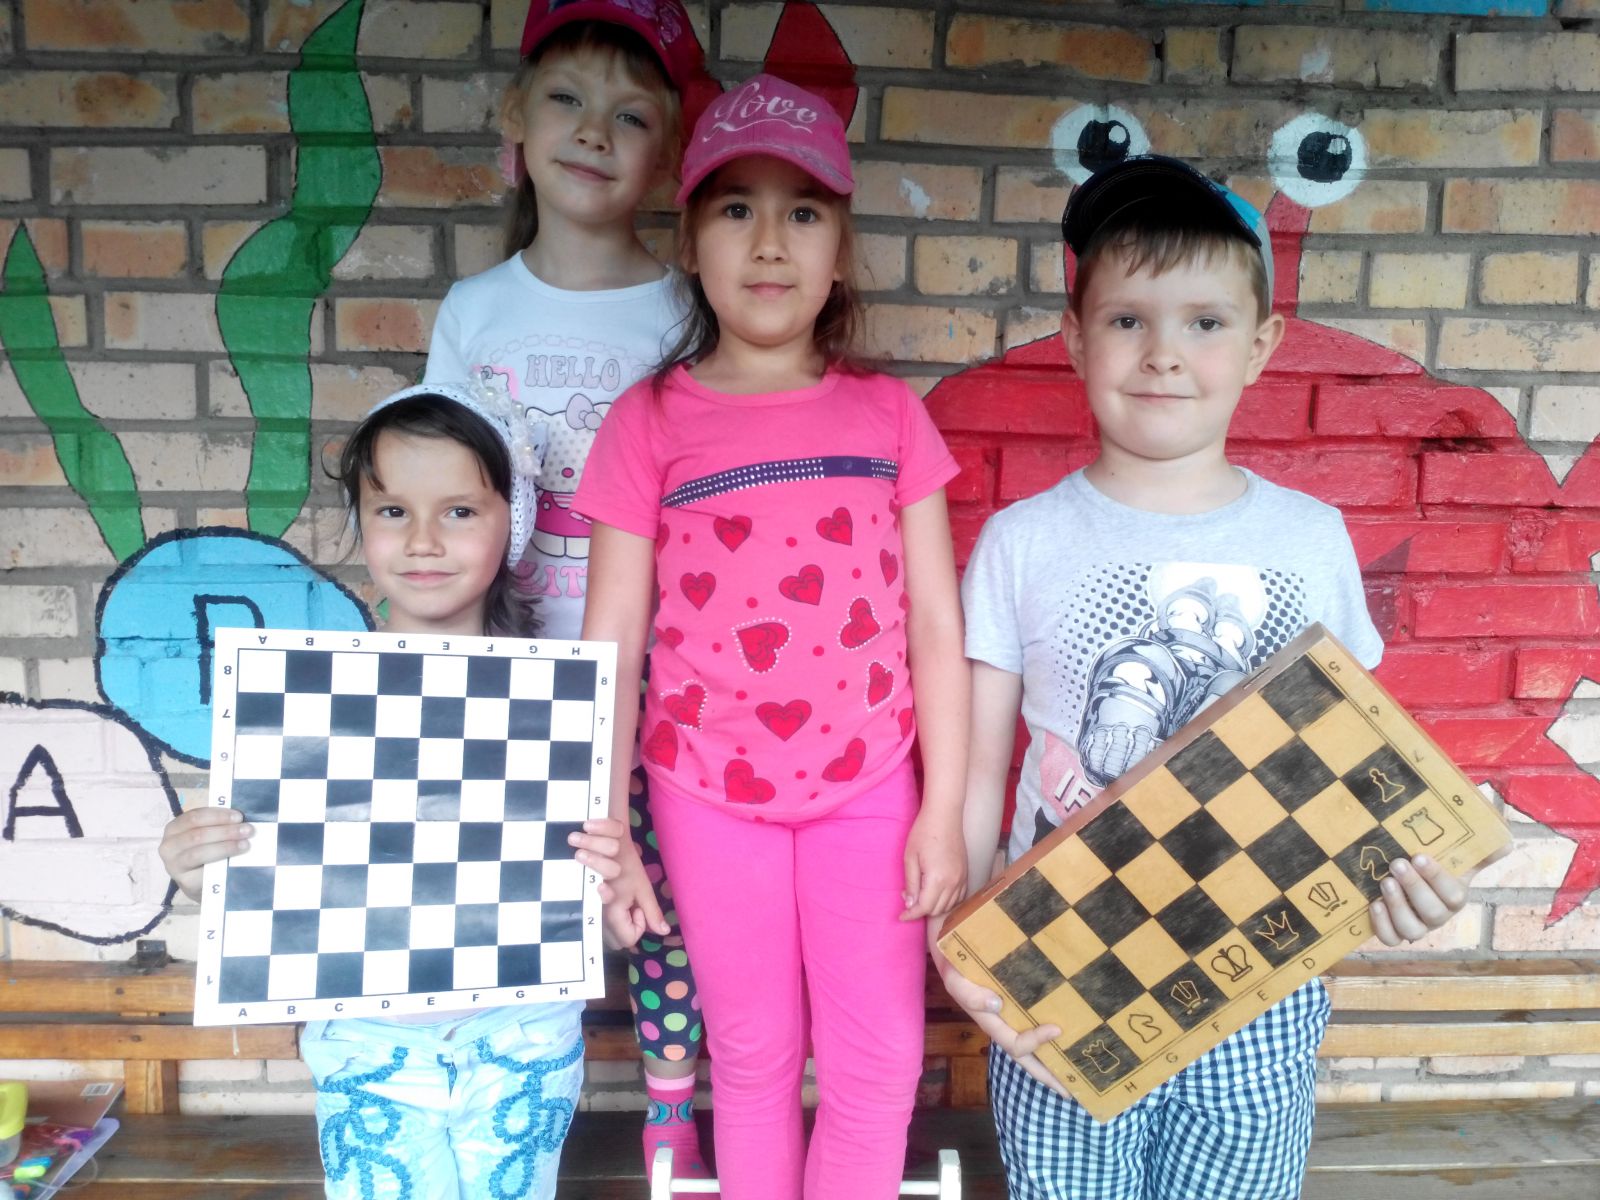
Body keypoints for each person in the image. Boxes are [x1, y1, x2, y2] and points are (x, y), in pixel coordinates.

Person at [940, 155, 1502, 1200]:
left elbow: (1359, 760)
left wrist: (1410, 877)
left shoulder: (1310, 538)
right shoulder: (1022, 541)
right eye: (1127, 320)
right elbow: (976, 777)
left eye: (1204, 321)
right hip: (1066, 971)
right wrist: (965, 944)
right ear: (1074, 337)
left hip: (1263, 984)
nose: (1163, 353)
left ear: (1260, 346)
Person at [575, 74, 970, 1200]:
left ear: (840, 249)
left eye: (803, 211)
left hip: (871, 787)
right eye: (735, 207)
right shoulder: (648, 420)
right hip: (705, 794)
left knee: (877, 1067)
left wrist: (942, 809)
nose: (768, 241)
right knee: (751, 1062)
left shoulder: (889, 414)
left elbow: (936, 628)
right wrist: (610, 827)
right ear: (690, 240)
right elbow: (612, 644)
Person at [158, 383, 636, 1199]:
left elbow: (585, 905)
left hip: (522, 1037)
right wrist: (203, 870)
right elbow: (267, 871)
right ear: (360, 523)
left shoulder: (558, 706)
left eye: (459, 511)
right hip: (366, 1045)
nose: (423, 540)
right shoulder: (303, 699)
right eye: (392, 511)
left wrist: (607, 880)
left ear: (512, 524)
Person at [423, 0, 716, 1176]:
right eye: (566, 99)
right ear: (514, 114)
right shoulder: (475, 310)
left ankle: (670, 1106)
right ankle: (488, 1106)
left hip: (654, 681)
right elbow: (441, 478)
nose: (594, 131)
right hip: (507, 678)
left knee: (658, 906)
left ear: (670, 155)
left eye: (631, 115)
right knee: (506, 895)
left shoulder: (684, 311)